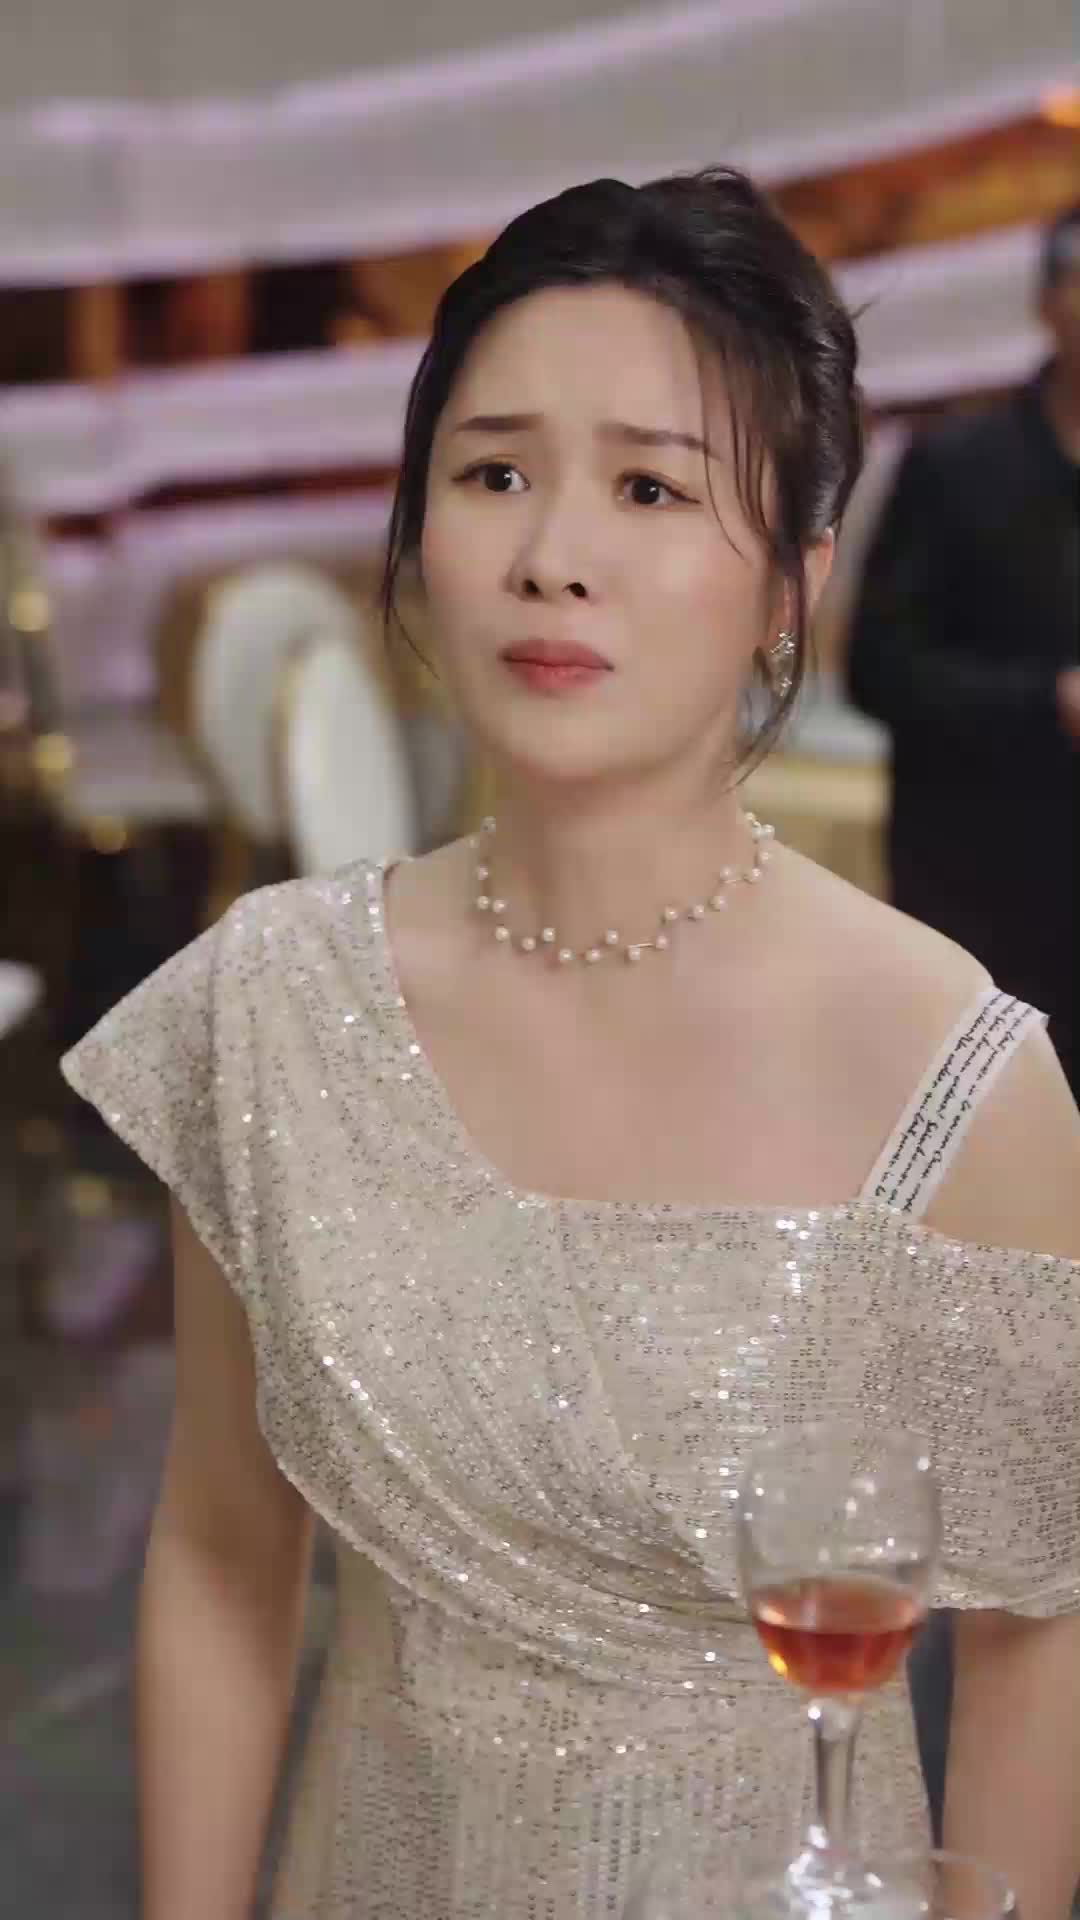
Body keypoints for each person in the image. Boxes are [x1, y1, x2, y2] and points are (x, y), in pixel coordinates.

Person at [62, 168, 1080, 1920]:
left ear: (791, 585)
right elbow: (225, 1559)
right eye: (494, 475)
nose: (553, 556)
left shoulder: (956, 1077)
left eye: (650, 487)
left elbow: (1035, 1642)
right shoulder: (274, 1006)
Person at [847, 202, 1080, 1097]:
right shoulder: (956, 467)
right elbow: (878, 668)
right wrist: (1045, 700)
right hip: (979, 898)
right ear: (1050, 302)